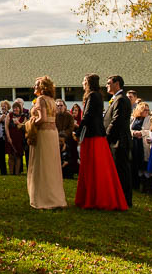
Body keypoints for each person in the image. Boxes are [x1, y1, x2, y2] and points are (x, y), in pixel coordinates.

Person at [74, 73, 127, 210]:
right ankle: (91, 196)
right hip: (96, 135)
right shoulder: (97, 96)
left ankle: (96, 198)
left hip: (93, 136)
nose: (82, 83)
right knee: (94, 167)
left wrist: (79, 131)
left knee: (94, 167)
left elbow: (87, 115)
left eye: (84, 81)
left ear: (89, 83)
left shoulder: (92, 96)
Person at [25, 76, 66, 209]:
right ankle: (56, 197)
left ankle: (43, 198)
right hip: (53, 133)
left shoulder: (41, 99)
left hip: (43, 133)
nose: (34, 87)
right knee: (51, 165)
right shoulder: (52, 100)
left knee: (41, 165)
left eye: (37, 85)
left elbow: (42, 119)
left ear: (43, 87)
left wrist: (29, 124)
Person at [104, 75, 133, 207]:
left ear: (117, 84)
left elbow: (116, 121)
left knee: (122, 171)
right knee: (117, 170)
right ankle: (118, 197)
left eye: (109, 83)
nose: (106, 85)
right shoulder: (115, 99)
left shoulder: (121, 99)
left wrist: (106, 136)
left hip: (120, 141)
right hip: (116, 140)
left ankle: (124, 200)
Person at [130, 101, 151, 194]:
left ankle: (147, 186)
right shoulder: (134, 119)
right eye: (144, 110)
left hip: (144, 144)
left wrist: (141, 133)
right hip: (135, 143)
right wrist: (133, 133)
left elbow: (150, 130)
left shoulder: (149, 119)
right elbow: (129, 128)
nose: (146, 111)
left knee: (145, 163)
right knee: (137, 163)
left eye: (147, 110)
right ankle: (138, 184)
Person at [55, 98, 78, 178]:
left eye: (61, 105)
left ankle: (68, 174)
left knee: (68, 158)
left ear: (64, 106)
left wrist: (64, 134)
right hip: (55, 140)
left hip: (67, 139)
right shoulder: (53, 116)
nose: (59, 107)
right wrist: (57, 135)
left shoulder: (69, 116)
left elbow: (71, 127)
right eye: (57, 106)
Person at [5, 102, 26, 175]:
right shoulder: (9, 115)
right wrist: (8, 137)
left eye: (17, 107)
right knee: (10, 156)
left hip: (19, 139)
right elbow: (6, 127)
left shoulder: (24, 116)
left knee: (18, 156)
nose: (15, 109)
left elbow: (25, 126)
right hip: (11, 138)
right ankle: (11, 173)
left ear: (20, 109)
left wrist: (18, 123)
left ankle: (17, 173)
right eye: (14, 107)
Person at [0, 100, 10, 175]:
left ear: (8, 107)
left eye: (5, 106)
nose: (4, 107)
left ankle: (8, 171)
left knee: (9, 155)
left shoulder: (10, 114)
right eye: (3, 106)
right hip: (0, 137)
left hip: (7, 138)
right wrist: (1, 119)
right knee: (0, 155)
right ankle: (1, 171)